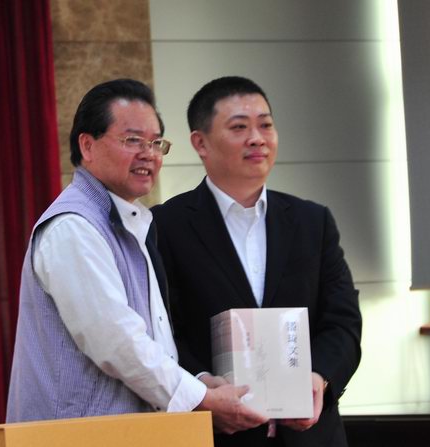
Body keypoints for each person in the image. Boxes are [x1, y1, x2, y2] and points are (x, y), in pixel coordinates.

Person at [6, 78, 268, 433]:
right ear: (87, 145)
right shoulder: (74, 227)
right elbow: (117, 342)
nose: (149, 154)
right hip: (76, 435)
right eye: (132, 140)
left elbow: (151, 341)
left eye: (156, 142)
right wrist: (200, 399)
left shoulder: (129, 222)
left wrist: (199, 383)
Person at [152, 76, 362, 447]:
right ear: (200, 143)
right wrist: (201, 385)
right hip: (216, 434)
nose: (257, 138)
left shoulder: (313, 222)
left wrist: (319, 378)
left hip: (311, 436)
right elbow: (162, 330)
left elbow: (342, 321)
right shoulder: (165, 226)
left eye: (265, 125)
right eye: (239, 127)